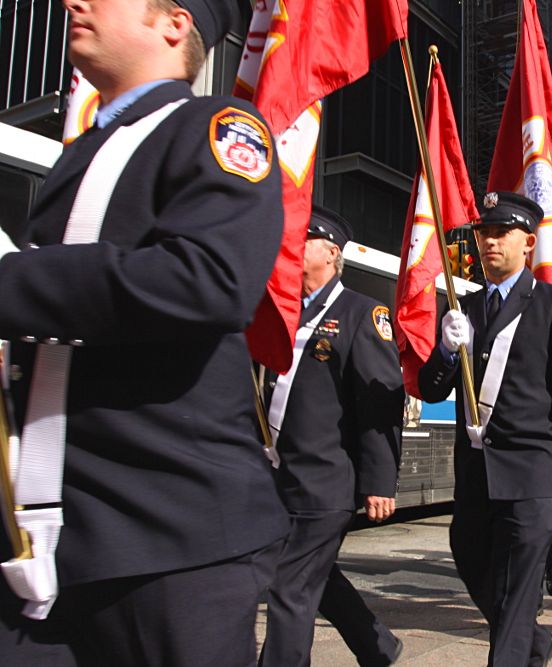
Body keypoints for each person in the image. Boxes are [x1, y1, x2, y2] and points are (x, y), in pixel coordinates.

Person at [0, 1, 290, 664]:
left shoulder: (217, 126)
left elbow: (208, 280)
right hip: (52, 532)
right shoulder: (84, 151)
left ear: (174, 22)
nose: (76, 3)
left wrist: (12, 283)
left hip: (169, 537)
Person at [418, 191, 552, 666]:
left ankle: (513, 651)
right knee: (470, 561)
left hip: (532, 473)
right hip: (476, 475)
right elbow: (429, 389)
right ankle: (534, 642)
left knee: (511, 588)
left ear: (528, 243)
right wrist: (446, 353)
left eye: (500, 233)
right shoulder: (466, 308)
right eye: (483, 233)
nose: (488, 242)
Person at [259, 209, 404, 667]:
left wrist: (380, 481)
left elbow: (380, 404)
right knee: (314, 578)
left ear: (332, 253)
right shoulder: (280, 310)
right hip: (275, 476)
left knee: (289, 585)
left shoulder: (362, 313)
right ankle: (377, 645)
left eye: (304, 241)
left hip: (324, 481)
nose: (292, 248)